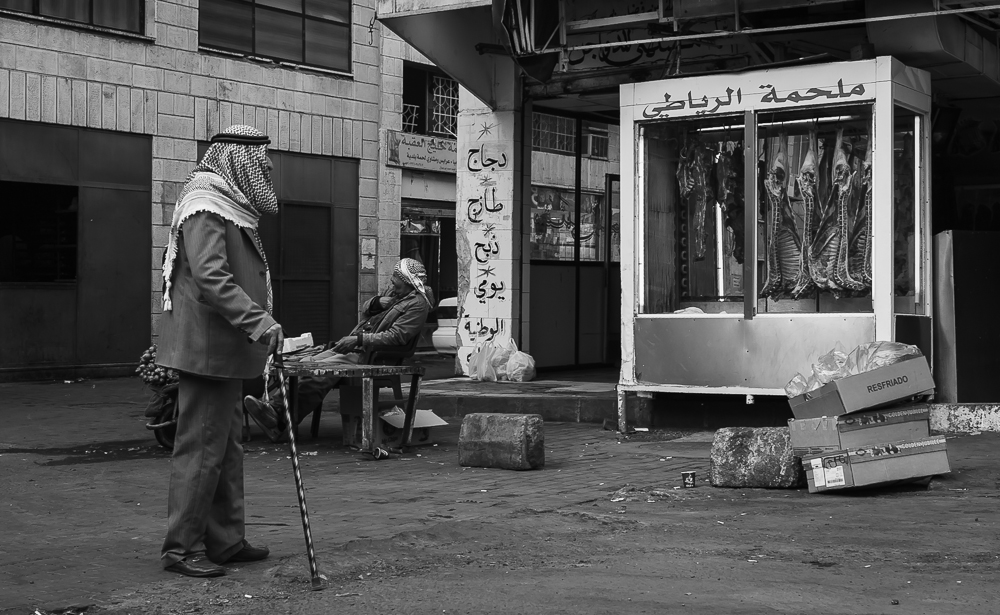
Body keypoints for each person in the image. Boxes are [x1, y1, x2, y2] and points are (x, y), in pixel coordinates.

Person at [155, 125, 284, 578]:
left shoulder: (226, 205)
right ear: (236, 161)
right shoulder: (205, 204)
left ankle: (226, 540)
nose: (267, 173)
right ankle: (182, 548)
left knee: (226, 446)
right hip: (209, 349)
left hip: (224, 350)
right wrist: (259, 321)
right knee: (201, 449)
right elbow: (211, 277)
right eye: (262, 166)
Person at [243, 258, 434, 442]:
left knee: (316, 373)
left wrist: (359, 339)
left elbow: (397, 336)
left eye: (395, 277)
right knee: (303, 364)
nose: (392, 280)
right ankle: (275, 412)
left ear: (407, 280)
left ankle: (280, 419)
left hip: (371, 354)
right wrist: (378, 302)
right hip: (357, 346)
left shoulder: (418, 304)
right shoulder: (395, 293)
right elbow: (366, 309)